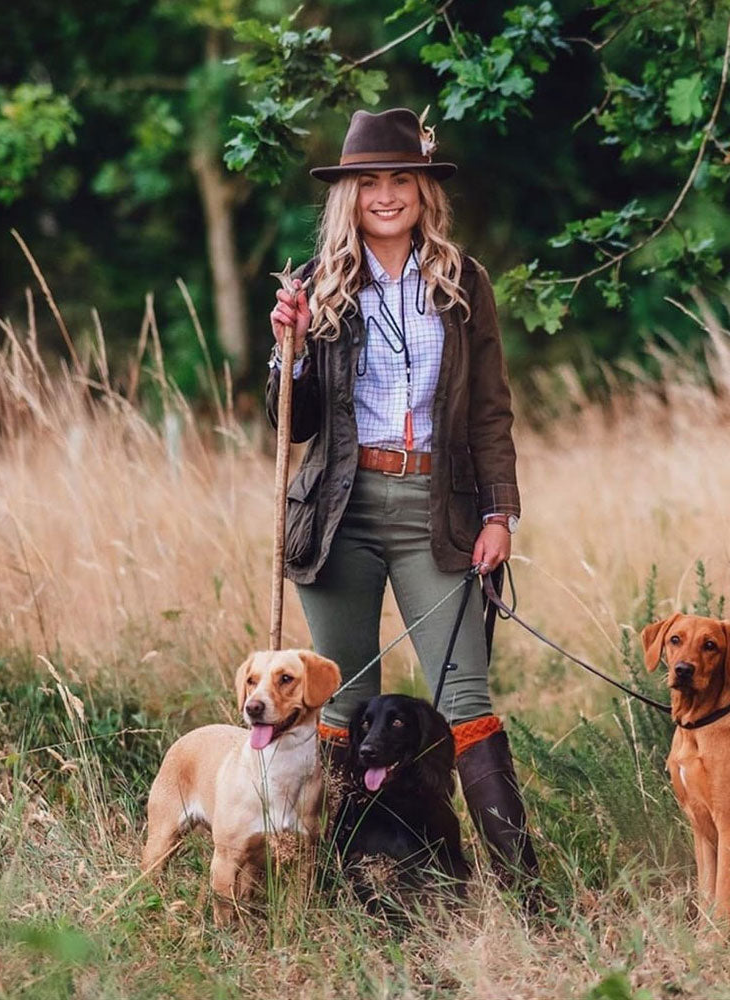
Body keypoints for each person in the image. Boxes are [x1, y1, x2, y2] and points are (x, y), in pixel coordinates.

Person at [266, 107, 538, 884]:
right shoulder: (318, 287)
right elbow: (294, 421)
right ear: (347, 196)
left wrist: (499, 511)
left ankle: (522, 892)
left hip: (436, 512)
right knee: (341, 705)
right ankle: (342, 884)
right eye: (369, 182)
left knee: (466, 699)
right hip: (339, 514)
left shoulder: (462, 282)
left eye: (400, 179)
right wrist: (293, 350)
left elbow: (491, 406)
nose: (386, 195)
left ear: (423, 189)